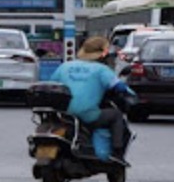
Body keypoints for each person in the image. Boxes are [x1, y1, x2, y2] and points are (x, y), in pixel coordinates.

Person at [50, 35, 132, 167]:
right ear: (103, 53)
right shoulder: (102, 70)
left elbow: (52, 83)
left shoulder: (65, 66)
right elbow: (120, 87)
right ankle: (117, 153)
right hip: (87, 115)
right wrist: (131, 95)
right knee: (116, 115)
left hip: (63, 113)